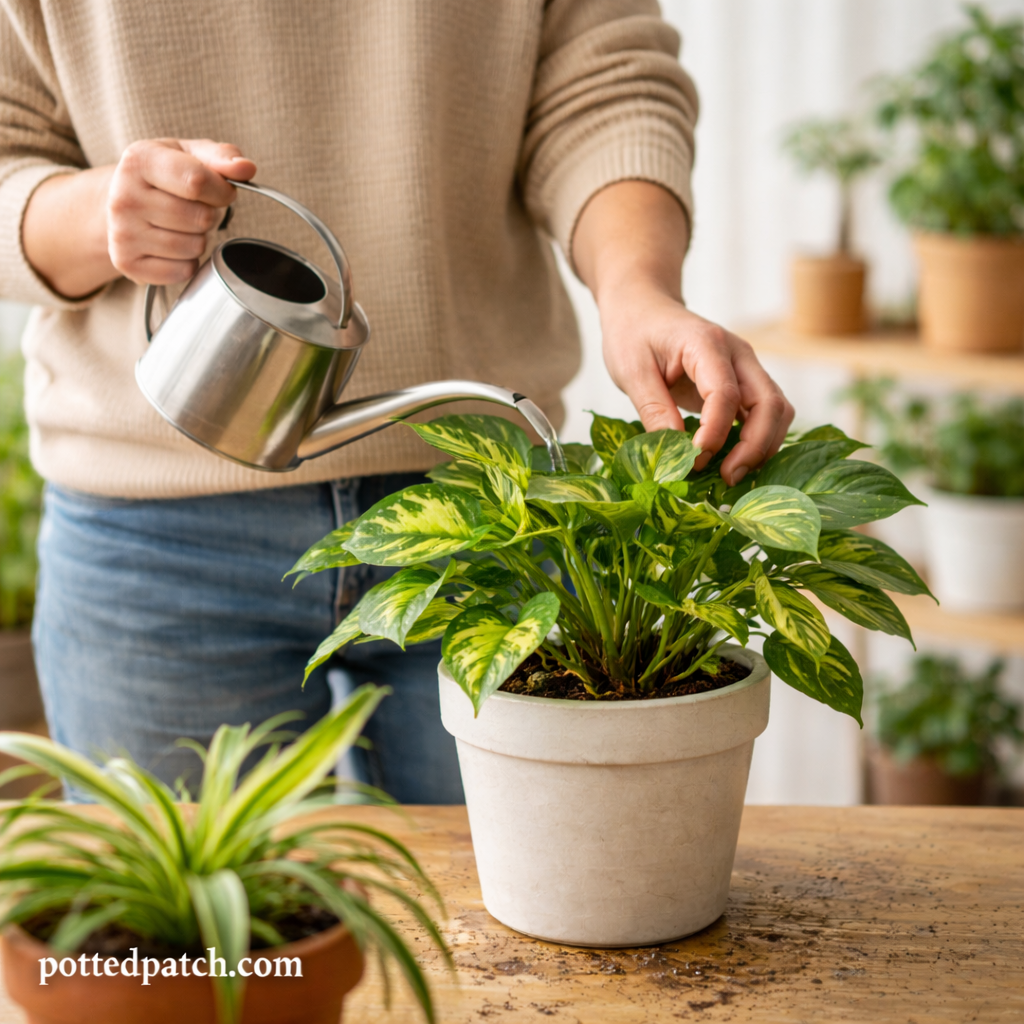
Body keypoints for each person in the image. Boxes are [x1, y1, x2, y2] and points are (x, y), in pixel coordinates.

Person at [0, 1, 794, 802]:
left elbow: (605, 86)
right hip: (156, 539)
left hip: (493, 518)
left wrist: (637, 292)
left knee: (538, 911)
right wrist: (102, 215)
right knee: (188, 929)